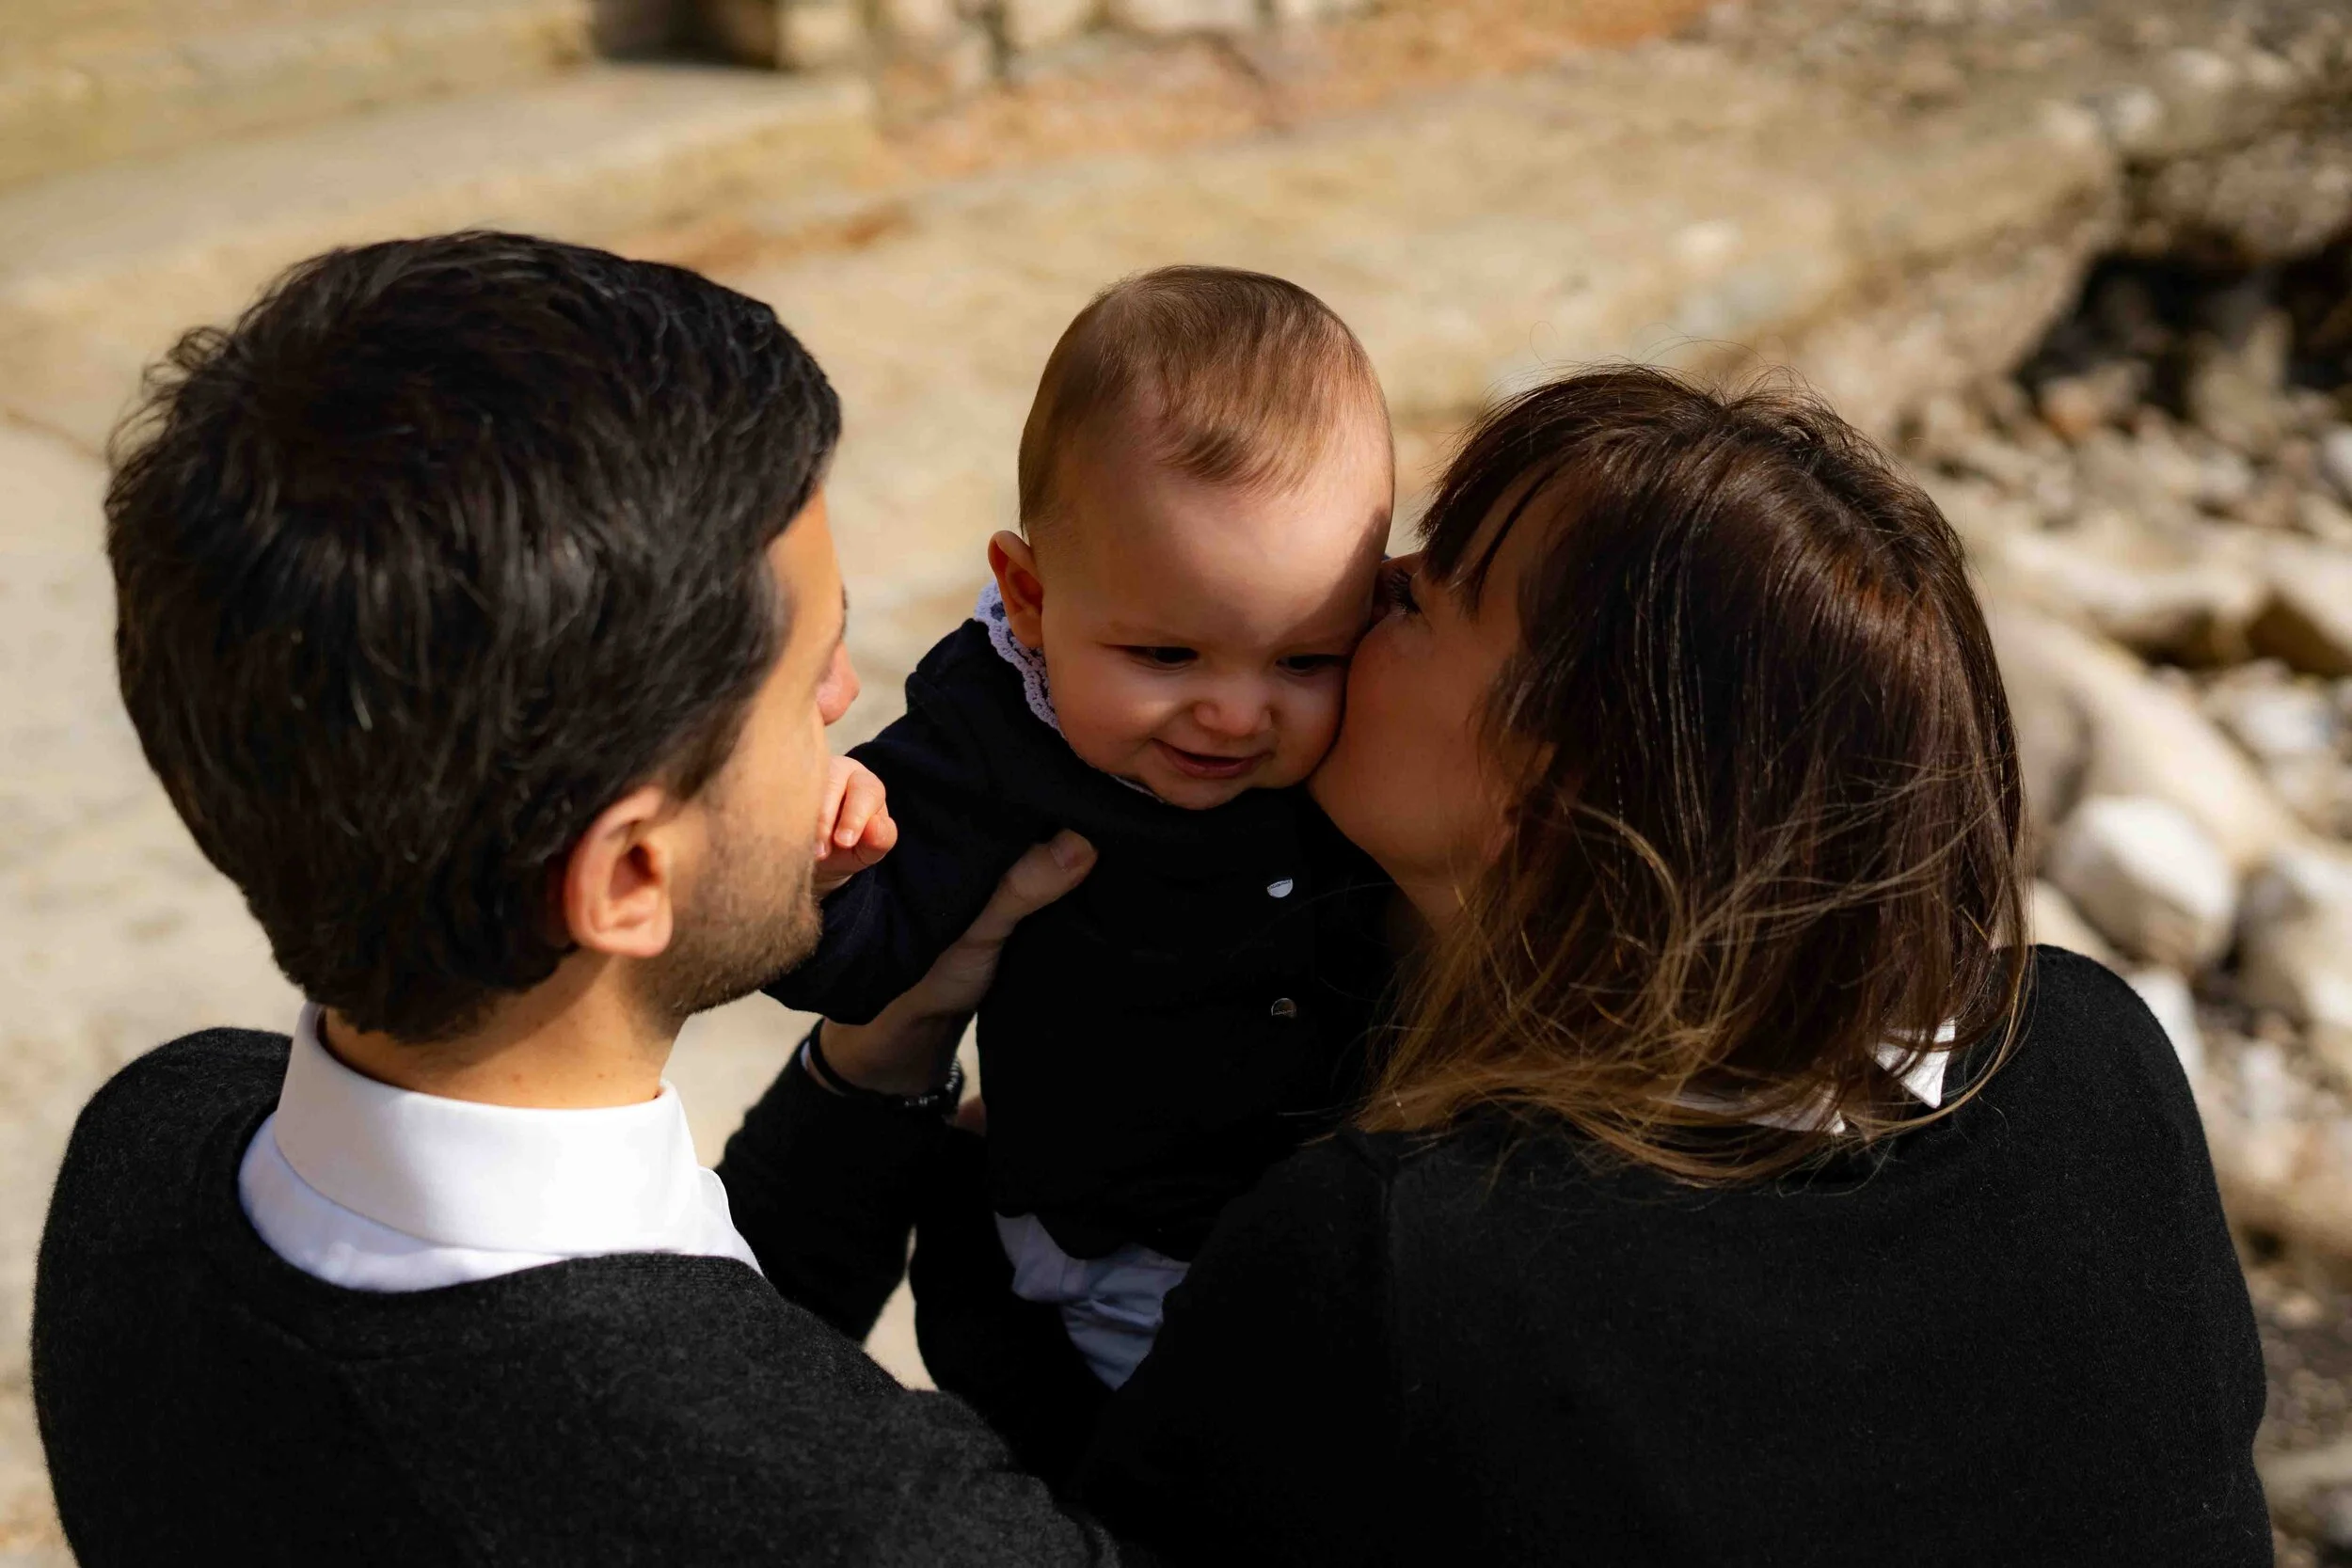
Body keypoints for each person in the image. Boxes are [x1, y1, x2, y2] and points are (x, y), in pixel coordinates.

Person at [837, 368, 2276, 1564]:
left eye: (1428, 594)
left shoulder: (1416, 1261)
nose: (1367, 580)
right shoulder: (2083, 1055)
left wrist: (878, 1084)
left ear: (1543, 798)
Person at [30, 231, 1128, 1565]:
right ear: (626, 874)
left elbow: (660, 1359)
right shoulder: (890, 1528)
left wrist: (876, 1053)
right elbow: (685, 1425)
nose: (849, 699)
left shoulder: (151, 1150)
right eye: (809, 679)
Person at [766, 266, 1396, 1389]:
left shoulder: (1372, 717)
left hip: (1331, 1232)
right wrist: (825, 875)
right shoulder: (991, 737)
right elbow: (860, 964)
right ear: (1029, 595)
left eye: (1305, 657)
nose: (1238, 713)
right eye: (1166, 656)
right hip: (1099, 1249)